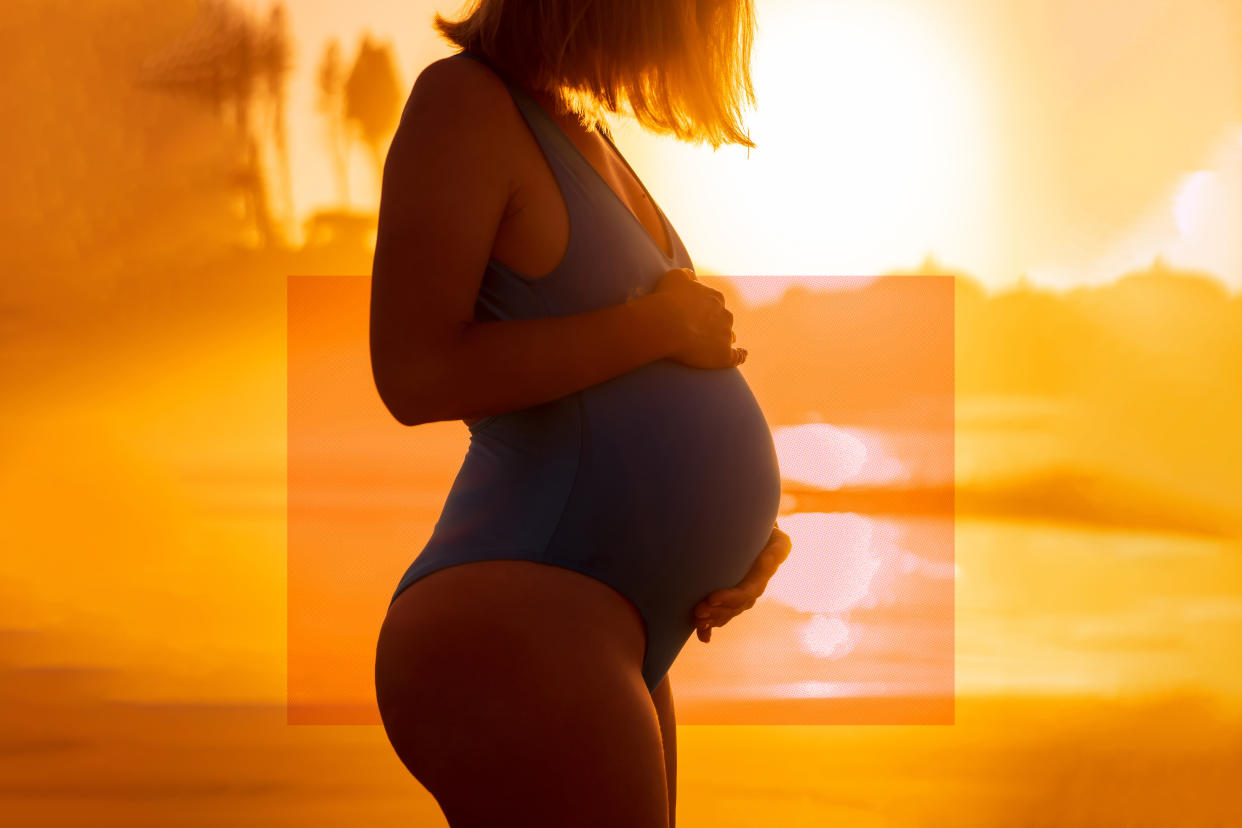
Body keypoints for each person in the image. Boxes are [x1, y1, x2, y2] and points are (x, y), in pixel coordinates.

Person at [371, 2, 791, 825]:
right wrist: (658, 325)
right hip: (519, 622)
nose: (706, 32)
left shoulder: (583, 130)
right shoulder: (463, 103)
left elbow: (626, 397)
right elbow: (414, 373)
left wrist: (742, 543)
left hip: (610, 635)